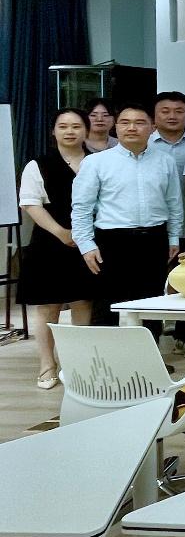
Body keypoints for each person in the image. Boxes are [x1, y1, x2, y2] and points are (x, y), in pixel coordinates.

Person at [71, 102, 182, 336]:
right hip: (111, 241)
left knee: (151, 302)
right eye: (125, 122)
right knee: (108, 303)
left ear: (152, 127)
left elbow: (174, 203)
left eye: (140, 123)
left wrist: (173, 238)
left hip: (154, 239)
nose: (132, 128)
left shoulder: (165, 161)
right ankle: (107, 357)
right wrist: (86, 244)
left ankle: (149, 354)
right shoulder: (96, 162)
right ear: (116, 127)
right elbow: (81, 208)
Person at [18, 108, 95, 389]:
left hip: (90, 241)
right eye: (63, 126)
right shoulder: (37, 164)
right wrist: (61, 233)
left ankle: (78, 364)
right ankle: (47, 364)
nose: (70, 131)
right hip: (49, 240)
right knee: (48, 306)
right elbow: (30, 203)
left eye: (76, 126)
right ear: (53, 131)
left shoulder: (98, 161)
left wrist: (83, 236)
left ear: (86, 130)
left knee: (83, 301)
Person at [150, 91, 185, 354]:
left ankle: (184, 334)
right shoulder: (145, 146)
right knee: (154, 284)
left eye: (179, 111)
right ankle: (152, 340)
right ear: (155, 115)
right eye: (165, 111)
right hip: (155, 228)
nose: (172, 116)